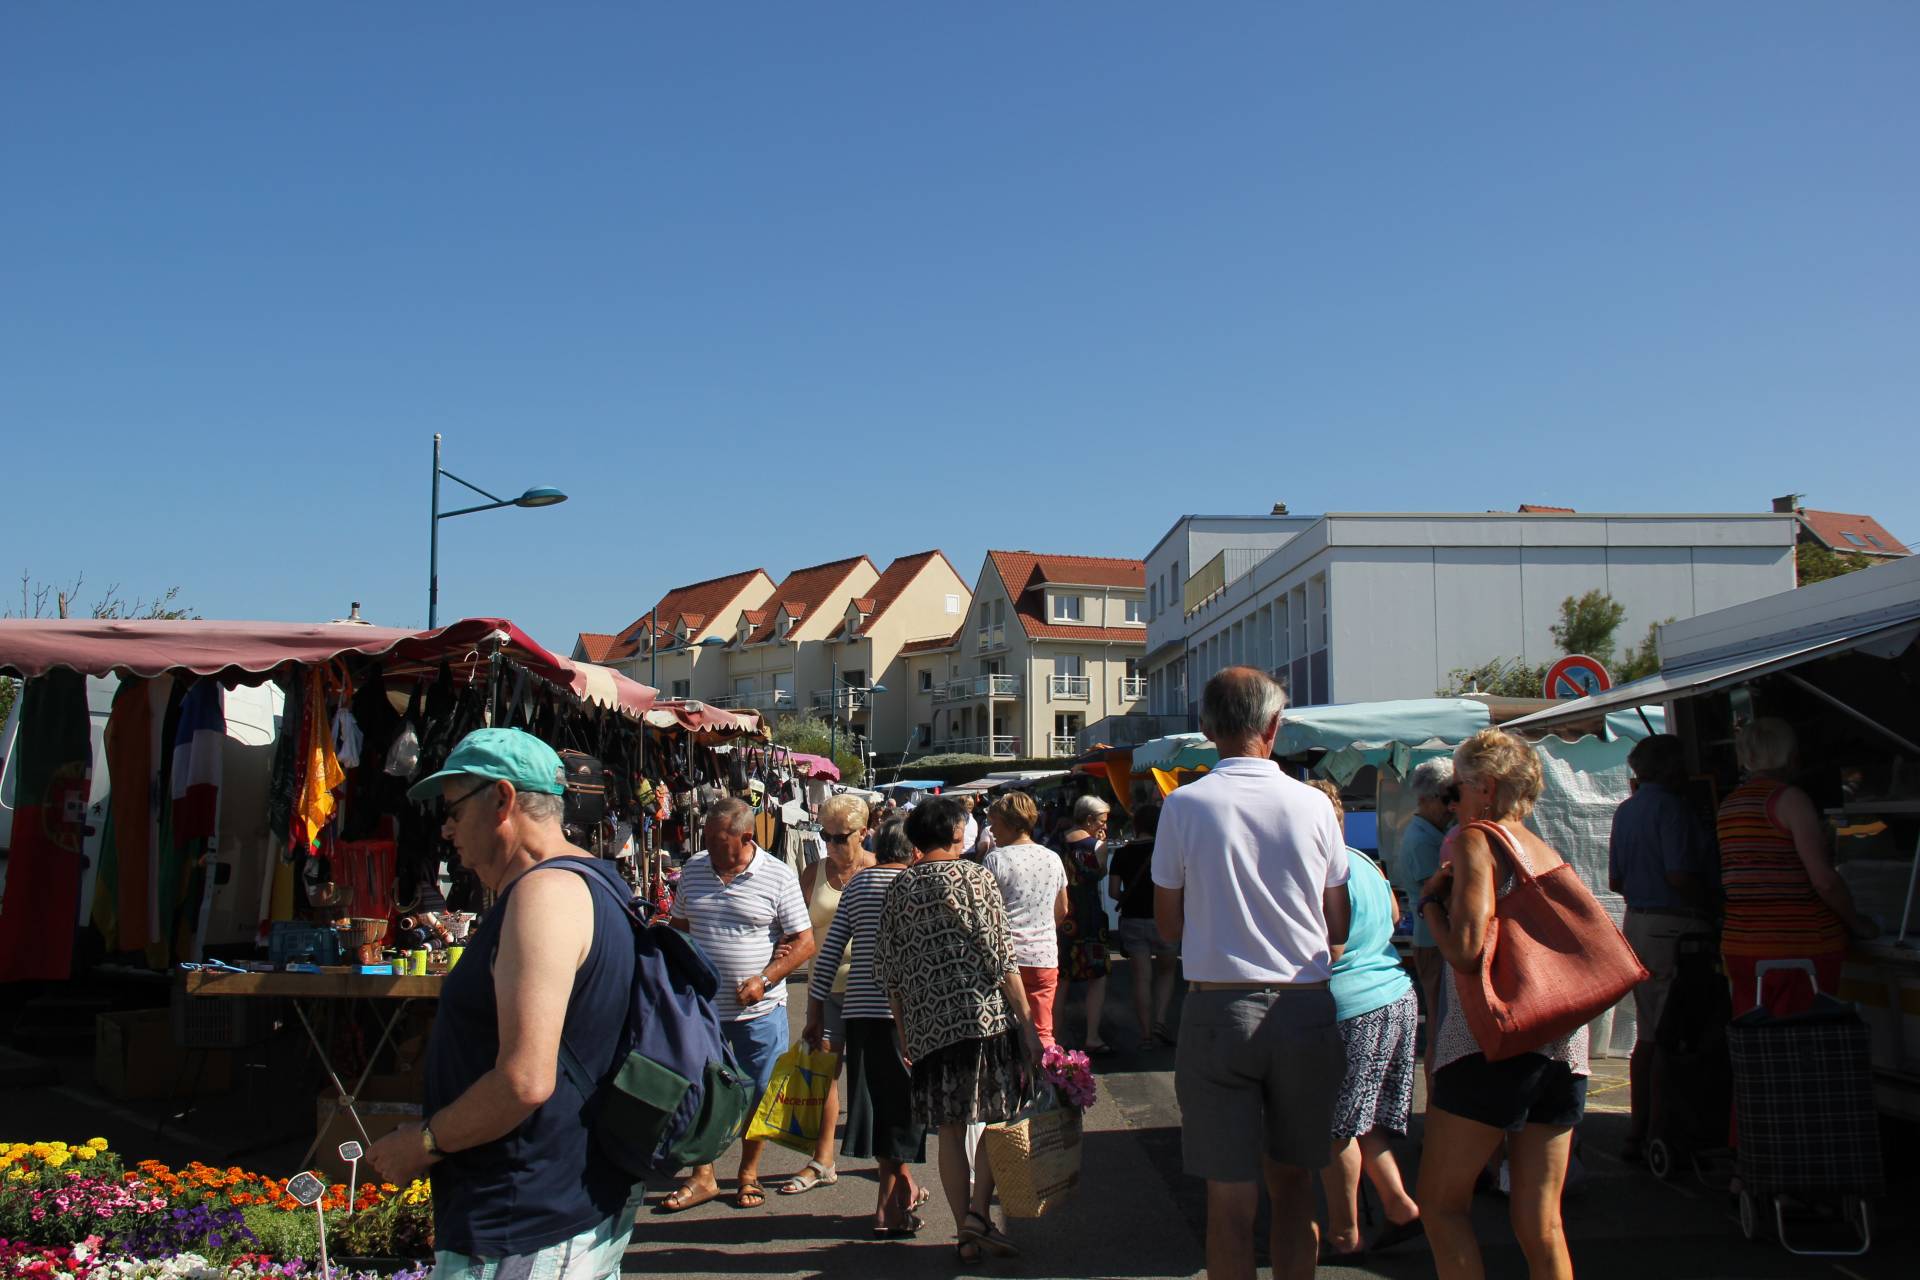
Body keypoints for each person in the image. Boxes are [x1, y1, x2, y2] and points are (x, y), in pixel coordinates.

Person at [367, 728, 646, 1280]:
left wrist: (420, 1145)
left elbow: (524, 1081)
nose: (445, 829)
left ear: (503, 799)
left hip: (525, 1218)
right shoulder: (596, 882)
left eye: (452, 809)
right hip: (566, 1202)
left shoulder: (543, 897)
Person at [1152, 668, 1351, 1280]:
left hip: (1218, 1007)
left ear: (1208, 729)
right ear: (1274, 726)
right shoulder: (1315, 804)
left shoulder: (1183, 805)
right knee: (1295, 1187)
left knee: (1229, 1199)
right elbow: (1337, 919)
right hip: (1304, 1003)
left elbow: (1168, 924)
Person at [1416, 728, 1587, 1280]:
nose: (1453, 802)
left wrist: (1430, 909)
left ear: (1485, 787)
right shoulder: (1542, 847)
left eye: (1458, 789)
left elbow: (1466, 952)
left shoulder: (1477, 840)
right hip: (1561, 1042)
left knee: (1441, 1203)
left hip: (1491, 1043)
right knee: (1542, 1222)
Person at [875, 795, 1042, 1265]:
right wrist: (1027, 1024)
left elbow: (890, 970)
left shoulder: (899, 887)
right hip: (983, 1018)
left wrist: (905, 1030)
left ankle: (965, 1233)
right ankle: (976, 1214)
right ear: (954, 833)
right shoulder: (974, 877)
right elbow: (1001, 956)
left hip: (929, 1025)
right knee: (996, 1115)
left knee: (949, 1130)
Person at [659, 798, 816, 1212]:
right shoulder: (693, 870)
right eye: (706, 838)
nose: (708, 846)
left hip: (758, 1014)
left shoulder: (778, 877)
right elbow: (680, 927)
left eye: (717, 840)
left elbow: (804, 942)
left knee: (760, 1094)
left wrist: (767, 978)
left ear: (747, 838)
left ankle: (748, 1173)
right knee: (699, 1093)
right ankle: (703, 1175)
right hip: (702, 1011)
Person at [1303, 780, 1422, 1262]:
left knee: (1335, 1128)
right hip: (1395, 993)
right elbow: (1394, 915)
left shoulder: (1320, 869)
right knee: (1363, 1119)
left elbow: (1322, 944)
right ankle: (1399, 1207)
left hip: (1351, 1005)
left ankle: (1345, 1232)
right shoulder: (1365, 859)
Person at [805, 816, 929, 1235]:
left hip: (858, 1012)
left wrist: (815, 1010)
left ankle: (895, 1197)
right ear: (913, 851)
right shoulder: (916, 885)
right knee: (902, 1108)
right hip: (904, 1015)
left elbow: (829, 953)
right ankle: (887, 1209)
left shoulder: (858, 886)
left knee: (880, 1103)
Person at [1717, 717, 1875, 1017]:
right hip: (1797, 947)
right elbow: (1824, 881)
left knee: (1762, 1046)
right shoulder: (1789, 800)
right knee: (1802, 1046)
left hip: (1741, 944)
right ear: (1790, 754)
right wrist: (1856, 923)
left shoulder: (1730, 804)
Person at [1607, 733, 1717, 1161]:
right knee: (1671, 1034)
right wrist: (1710, 903)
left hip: (1638, 922)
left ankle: (1641, 1128)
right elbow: (1679, 875)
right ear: (1670, 768)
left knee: (1649, 1033)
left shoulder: (1626, 811)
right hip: (1675, 926)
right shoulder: (1673, 809)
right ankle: (1661, 1130)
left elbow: (1615, 881)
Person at [774, 794, 875, 1195]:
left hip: (872, 993)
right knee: (823, 1076)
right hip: (825, 990)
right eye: (825, 835)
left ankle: (891, 1168)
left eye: (840, 837)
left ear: (864, 833)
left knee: (877, 1081)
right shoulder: (812, 872)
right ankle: (822, 1160)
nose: (831, 845)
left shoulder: (881, 869)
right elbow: (796, 928)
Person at [981, 790, 1069, 1047]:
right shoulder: (1052, 858)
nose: (991, 830)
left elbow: (987, 910)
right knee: (1043, 1031)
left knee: (1004, 1035)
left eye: (994, 823)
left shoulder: (995, 860)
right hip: (1043, 955)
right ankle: (1049, 1080)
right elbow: (1062, 908)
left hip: (1006, 957)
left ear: (1009, 823)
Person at [1394, 758, 1456, 1083]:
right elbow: (1440, 896)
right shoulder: (1422, 841)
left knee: (1442, 1025)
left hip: (1435, 939)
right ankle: (1437, 1106)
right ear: (1428, 799)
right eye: (1447, 798)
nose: (1452, 806)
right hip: (1434, 941)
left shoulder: (1431, 833)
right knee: (1439, 1027)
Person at [1106, 803, 1178, 1047]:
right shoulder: (1167, 850)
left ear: (1135, 826)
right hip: (1165, 918)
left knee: (1141, 978)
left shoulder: (1122, 853)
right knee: (1167, 972)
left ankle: (1146, 1033)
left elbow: (1114, 892)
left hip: (1134, 919)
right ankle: (1160, 1021)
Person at [1058, 794, 1115, 1054]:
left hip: (1063, 916)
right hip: (1090, 916)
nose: (1105, 825)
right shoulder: (1095, 846)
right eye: (1102, 820)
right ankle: (1092, 1036)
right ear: (1090, 819)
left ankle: (1054, 1036)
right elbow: (1099, 874)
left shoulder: (1057, 841)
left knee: (1061, 979)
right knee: (1097, 977)